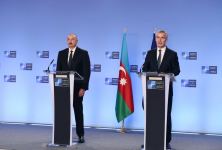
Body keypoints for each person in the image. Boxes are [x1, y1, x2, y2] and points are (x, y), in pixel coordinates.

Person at [142, 30, 180, 149]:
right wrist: (144, 71)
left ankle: (166, 142)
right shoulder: (150, 53)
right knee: (151, 115)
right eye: (157, 37)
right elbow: (145, 68)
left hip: (166, 90)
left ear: (166, 39)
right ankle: (149, 139)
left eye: (162, 38)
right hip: (151, 90)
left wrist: (167, 74)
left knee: (166, 115)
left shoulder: (172, 54)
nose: (159, 40)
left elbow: (177, 70)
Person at [56, 33, 91, 143]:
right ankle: (62, 133)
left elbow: (86, 72)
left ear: (76, 41)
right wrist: (58, 87)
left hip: (77, 89)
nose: (70, 41)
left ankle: (80, 135)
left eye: (72, 39)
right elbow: (58, 72)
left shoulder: (83, 53)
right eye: (68, 39)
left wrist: (84, 88)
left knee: (78, 111)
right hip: (64, 88)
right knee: (63, 112)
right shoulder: (61, 53)